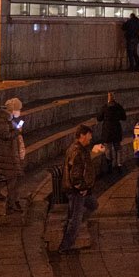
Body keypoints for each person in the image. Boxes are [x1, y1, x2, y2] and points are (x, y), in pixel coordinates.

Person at [58, 124, 105, 253]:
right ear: (82, 135)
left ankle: (72, 227)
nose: (90, 139)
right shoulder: (76, 151)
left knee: (93, 205)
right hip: (77, 191)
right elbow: (75, 174)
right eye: (89, 136)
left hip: (82, 189)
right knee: (75, 219)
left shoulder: (80, 149)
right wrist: (81, 188)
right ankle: (65, 246)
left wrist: (94, 151)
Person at [0, 98, 26, 212]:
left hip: (9, 152)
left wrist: (16, 128)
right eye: (18, 109)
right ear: (12, 109)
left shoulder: (8, 118)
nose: (19, 112)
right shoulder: (3, 119)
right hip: (6, 153)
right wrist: (18, 131)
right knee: (11, 178)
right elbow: (5, 135)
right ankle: (12, 204)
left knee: (6, 177)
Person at [96, 92, 128, 172]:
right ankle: (119, 165)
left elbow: (99, 118)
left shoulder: (104, 107)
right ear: (115, 98)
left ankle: (109, 166)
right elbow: (124, 117)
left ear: (108, 99)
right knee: (118, 148)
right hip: (116, 130)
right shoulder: (119, 107)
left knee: (108, 149)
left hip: (107, 131)